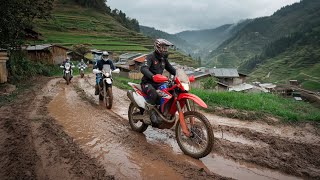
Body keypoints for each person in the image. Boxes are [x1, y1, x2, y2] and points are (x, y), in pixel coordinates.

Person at [140, 39, 176, 127]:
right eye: (163, 48)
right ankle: (147, 114)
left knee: (169, 92)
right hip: (147, 83)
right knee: (153, 94)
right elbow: (143, 68)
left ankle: (163, 111)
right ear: (158, 47)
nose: (165, 50)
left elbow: (171, 69)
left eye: (166, 48)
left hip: (159, 83)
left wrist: (180, 75)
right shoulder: (150, 57)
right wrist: (152, 76)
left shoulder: (163, 59)